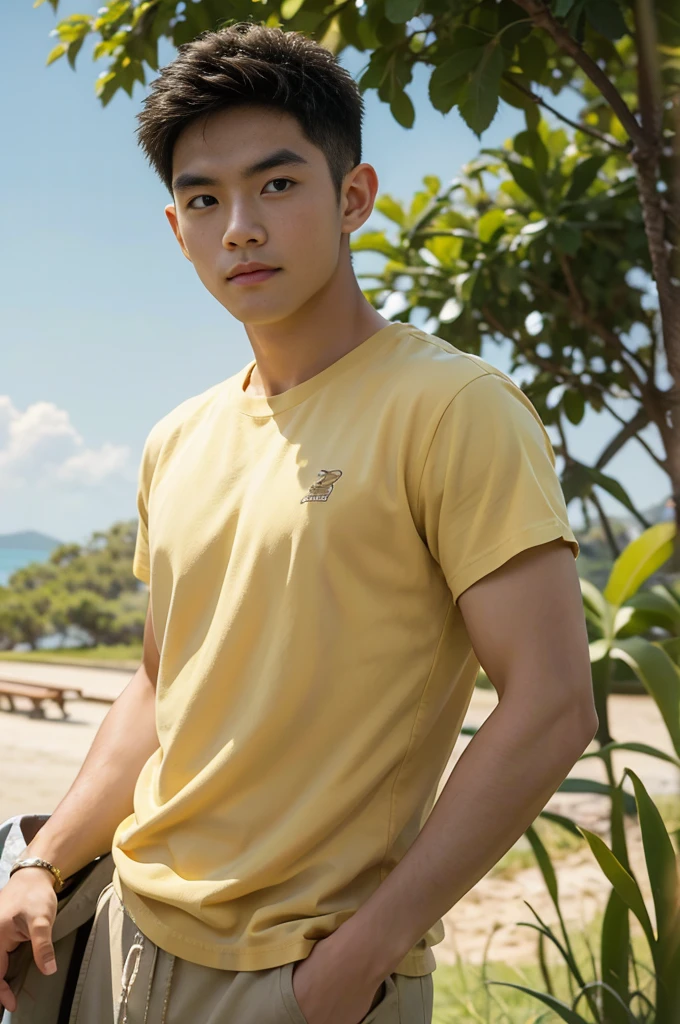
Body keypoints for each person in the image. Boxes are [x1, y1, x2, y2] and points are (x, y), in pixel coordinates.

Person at [0, 22, 598, 1024]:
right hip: (119, 944)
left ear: (351, 196)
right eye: (204, 198)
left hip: (301, 978)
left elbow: (550, 704)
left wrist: (358, 958)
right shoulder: (176, 438)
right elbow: (158, 682)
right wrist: (45, 860)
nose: (238, 225)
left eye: (276, 185)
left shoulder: (450, 407)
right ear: (176, 225)